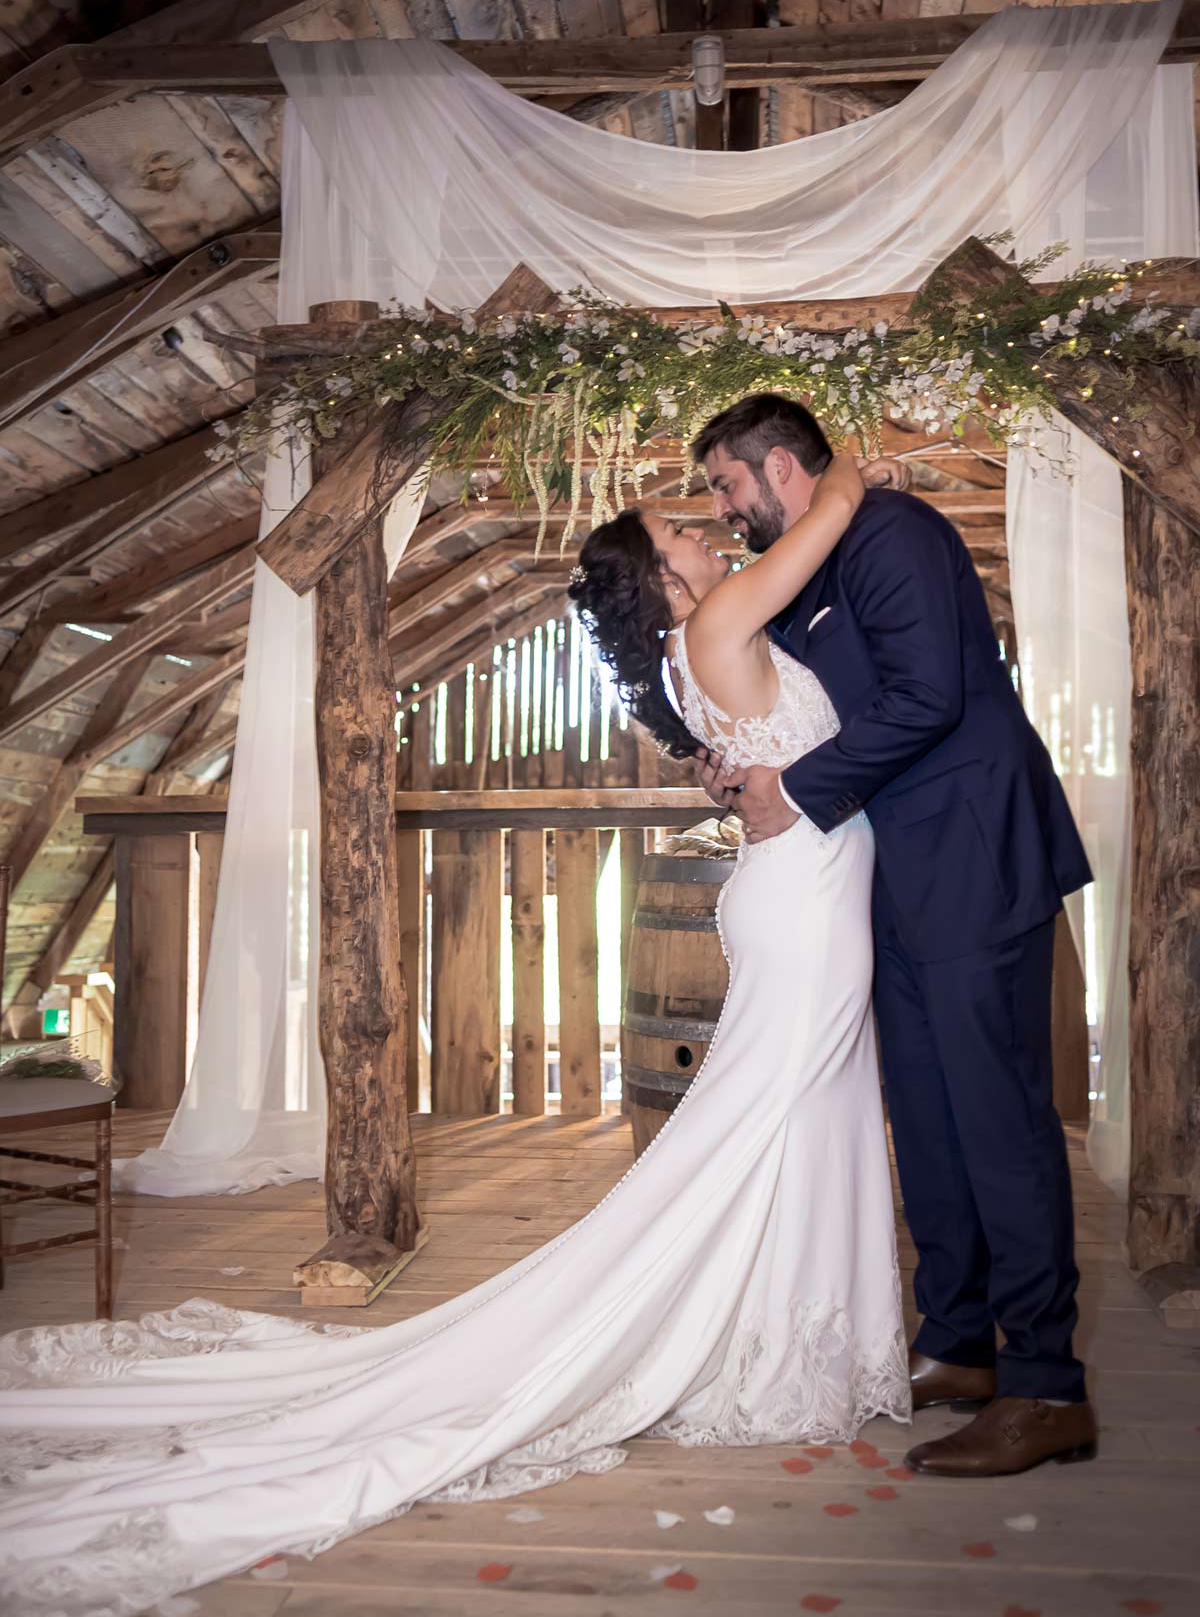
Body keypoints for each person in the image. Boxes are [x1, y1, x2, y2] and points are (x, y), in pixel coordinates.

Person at [0, 449, 909, 1617]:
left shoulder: (696, 649)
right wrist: (858, 470)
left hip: (805, 893)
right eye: (680, 530)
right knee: (768, 1118)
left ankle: (800, 1336)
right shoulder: (725, 614)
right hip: (803, 904)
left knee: (801, 1115)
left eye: (699, 519)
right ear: (664, 578)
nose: (701, 531)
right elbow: (824, 517)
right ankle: (763, 1342)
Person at [693, 393, 1097, 1477]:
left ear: (781, 468)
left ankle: (1049, 1384)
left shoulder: (895, 537)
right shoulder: (816, 561)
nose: (725, 512)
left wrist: (797, 790)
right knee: (925, 1115)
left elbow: (929, 697)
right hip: (891, 880)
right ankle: (959, 1344)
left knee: (999, 1119)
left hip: (974, 861)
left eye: (729, 486)